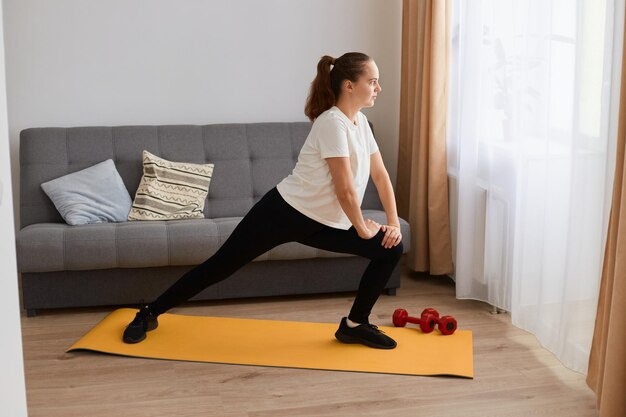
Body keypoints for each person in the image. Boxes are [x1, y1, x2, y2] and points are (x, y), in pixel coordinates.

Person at [123, 52, 404, 349]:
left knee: (390, 248)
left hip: (326, 221)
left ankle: (355, 324)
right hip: (284, 212)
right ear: (349, 85)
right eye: (372, 81)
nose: (378, 88)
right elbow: (345, 189)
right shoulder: (332, 123)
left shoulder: (360, 122)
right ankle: (149, 313)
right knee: (220, 266)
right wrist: (362, 228)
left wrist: (392, 223)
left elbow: (381, 175)